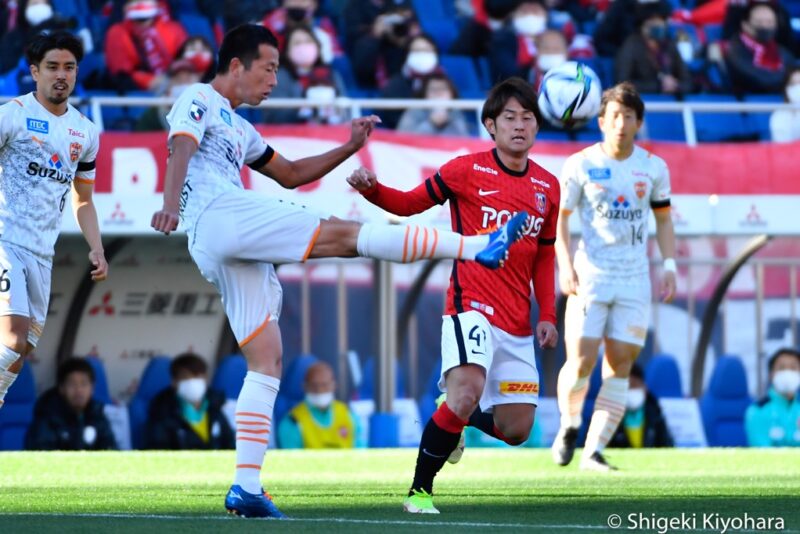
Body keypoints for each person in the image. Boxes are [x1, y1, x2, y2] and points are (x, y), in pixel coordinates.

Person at [150, 23, 529, 519]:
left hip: (216, 243)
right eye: (268, 69)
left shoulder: (240, 128)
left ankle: (245, 486)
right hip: (218, 215)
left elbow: (288, 174)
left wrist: (349, 148)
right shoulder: (198, 97)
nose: (272, 81)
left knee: (267, 360)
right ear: (237, 65)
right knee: (348, 235)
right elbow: (180, 145)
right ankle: (476, 247)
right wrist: (168, 204)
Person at [347, 76, 560, 514]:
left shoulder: (548, 188)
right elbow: (408, 204)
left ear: (537, 128)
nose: (519, 125)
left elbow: (543, 255)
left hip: (518, 321)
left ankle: (455, 416)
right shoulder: (466, 170)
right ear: (490, 125)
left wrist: (549, 314)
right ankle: (420, 491)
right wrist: (371, 188)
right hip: (471, 307)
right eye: (509, 117)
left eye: (528, 118)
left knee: (517, 429)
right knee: (467, 390)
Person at [550, 81, 676, 472]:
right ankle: (569, 424)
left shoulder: (653, 167)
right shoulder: (581, 164)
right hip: (591, 276)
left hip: (635, 279)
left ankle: (593, 452)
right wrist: (565, 264)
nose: (622, 123)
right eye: (615, 115)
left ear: (639, 122)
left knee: (620, 365)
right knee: (582, 362)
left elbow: (664, 219)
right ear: (601, 121)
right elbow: (561, 220)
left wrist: (669, 266)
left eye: (629, 116)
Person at [0, 31, 107, 410]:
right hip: (5, 241)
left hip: (42, 254)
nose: (61, 75)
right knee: (12, 337)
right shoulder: (12, 116)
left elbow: (84, 199)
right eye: (52, 67)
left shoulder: (86, 133)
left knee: (23, 347)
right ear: (34, 72)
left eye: (69, 67)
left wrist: (97, 247)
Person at [146, 353, 235, 450]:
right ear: (174, 382)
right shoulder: (162, 411)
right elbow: (158, 450)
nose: (194, 382)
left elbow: (229, 443)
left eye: (199, 377)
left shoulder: (215, 406)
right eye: (186, 377)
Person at [25, 358, 117, 450]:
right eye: (72, 384)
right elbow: (42, 455)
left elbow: (111, 450)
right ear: (61, 388)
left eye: (84, 384)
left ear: (92, 388)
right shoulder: (48, 416)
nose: (79, 390)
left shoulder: (97, 415)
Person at [103, 0, 187, 92]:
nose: (142, 23)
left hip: (173, 84)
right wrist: (148, 80)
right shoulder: (118, 33)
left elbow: (184, 61)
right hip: (136, 90)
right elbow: (121, 74)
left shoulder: (174, 30)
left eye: (146, 19)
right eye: (137, 19)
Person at [277, 361, 359, 449]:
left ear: (334, 385)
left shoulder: (349, 415)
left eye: (324, 385)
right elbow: (291, 459)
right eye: (314, 385)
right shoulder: (292, 421)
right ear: (305, 387)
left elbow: (360, 452)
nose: (319, 390)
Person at [724, 1, 794, 94]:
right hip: (748, 103)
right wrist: (787, 80)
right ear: (745, 25)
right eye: (759, 22)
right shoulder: (735, 50)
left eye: (770, 22)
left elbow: (794, 70)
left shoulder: (782, 52)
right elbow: (762, 80)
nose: (765, 26)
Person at [615, 11, 692, 95]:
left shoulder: (669, 45)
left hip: (672, 103)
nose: (658, 24)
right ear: (643, 26)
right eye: (652, 21)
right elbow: (622, 84)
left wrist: (676, 85)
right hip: (643, 101)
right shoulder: (631, 46)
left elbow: (687, 79)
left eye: (660, 21)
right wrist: (658, 86)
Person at [608, 363, 673, 448]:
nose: (630, 391)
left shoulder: (655, 412)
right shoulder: (609, 415)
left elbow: (667, 445)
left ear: (644, 387)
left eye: (634, 386)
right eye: (626, 388)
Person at [745, 348, 800, 447]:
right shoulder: (757, 411)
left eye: (793, 368)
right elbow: (762, 455)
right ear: (771, 374)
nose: (787, 373)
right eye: (781, 368)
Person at [396, 72, 470, 137]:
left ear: (451, 94)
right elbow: (403, 141)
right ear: (425, 94)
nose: (438, 93)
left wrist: (446, 123)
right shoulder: (414, 111)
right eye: (433, 89)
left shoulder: (455, 111)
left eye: (443, 89)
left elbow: (464, 140)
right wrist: (431, 124)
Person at [769, 67, 800, 142]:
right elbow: (784, 148)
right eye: (793, 84)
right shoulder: (779, 116)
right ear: (787, 89)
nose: (798, 87)